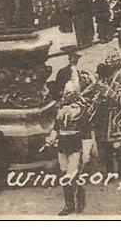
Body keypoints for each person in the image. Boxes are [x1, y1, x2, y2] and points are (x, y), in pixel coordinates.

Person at [45, 81, 88, 215]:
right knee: (64, 173)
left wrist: (86, 152)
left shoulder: (81, 109)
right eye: (65, 91)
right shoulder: (60, 108)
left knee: (73, 173)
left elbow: (86, 132)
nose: (66, 94)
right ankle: (69, 204)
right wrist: (52, 136)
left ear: (75, 94)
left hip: (74, 144)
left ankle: (80, 199)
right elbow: (57, 127)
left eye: (69, 92)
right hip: (62, 145)